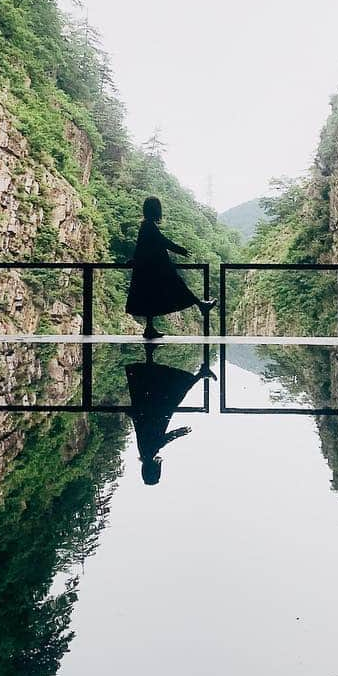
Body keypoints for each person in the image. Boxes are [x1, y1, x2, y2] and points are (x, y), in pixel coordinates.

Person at [125, 196, 216, 340]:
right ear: (156, 210)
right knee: (177, 286)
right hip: (156, 268)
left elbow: (141, 247)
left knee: (151, 297)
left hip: (149, 268)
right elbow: (162, 242)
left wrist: (135, 260)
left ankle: (150, 329)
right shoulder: (149, 226)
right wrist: (181, 250)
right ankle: (201, 305)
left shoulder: (146, 226)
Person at [126, 345, 215, 485]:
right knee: (152, 380)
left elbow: (164, 439)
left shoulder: (149, 453)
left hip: (156, 411)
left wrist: (180, 433)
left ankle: (201, 373)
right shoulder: (145, 453)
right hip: (149, 411)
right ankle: (150, 349)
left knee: (176, 390)